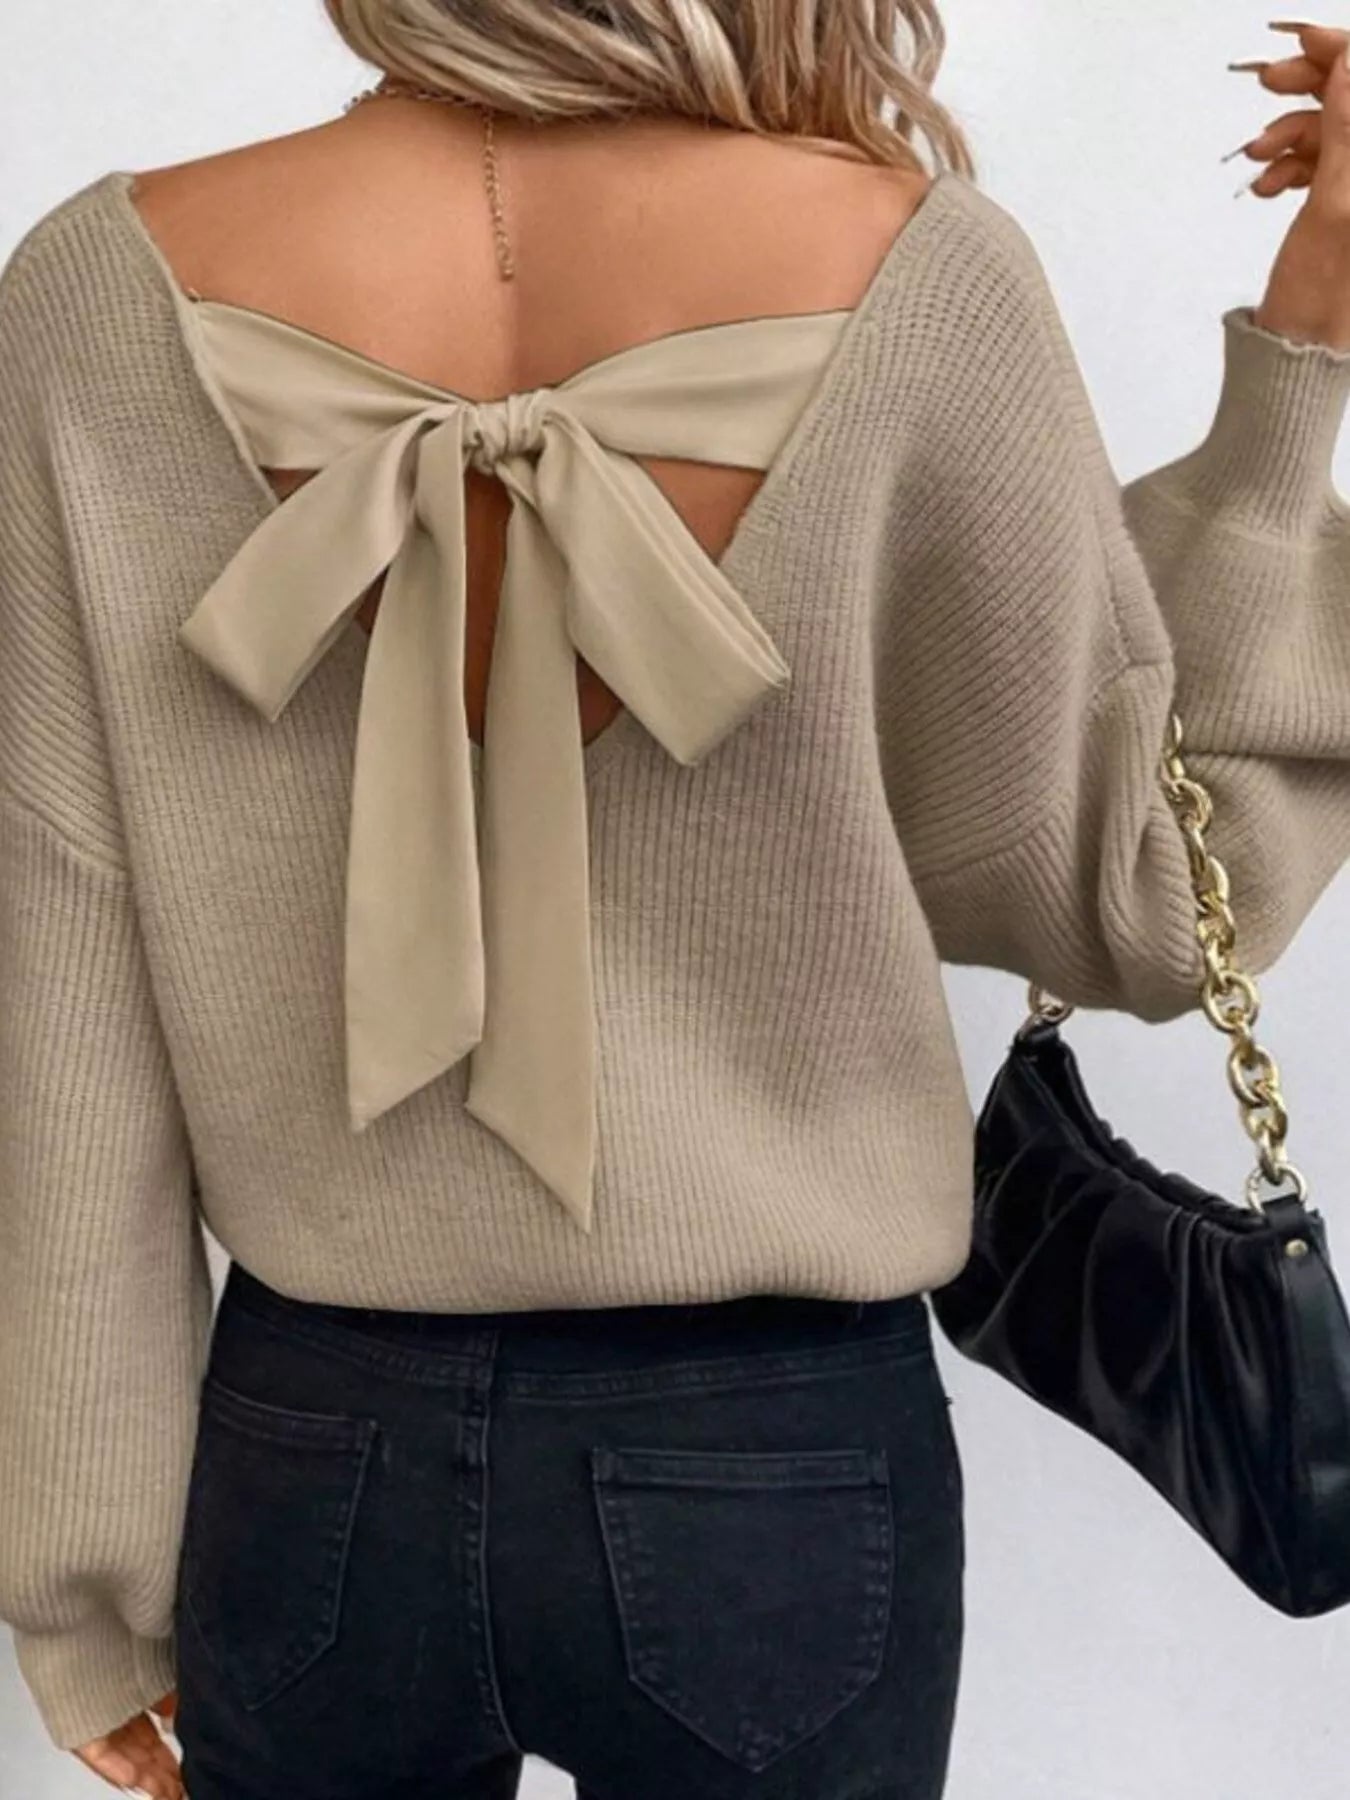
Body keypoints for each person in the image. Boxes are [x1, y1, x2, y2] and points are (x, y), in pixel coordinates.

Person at [3, 6, 1350, 1797]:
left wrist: (82, 1577)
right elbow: (1150, 904)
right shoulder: (922, 274)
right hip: (781, 1463)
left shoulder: (93, 290)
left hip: (310, 1455)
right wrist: (1300, 365)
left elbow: (60, 981)